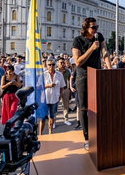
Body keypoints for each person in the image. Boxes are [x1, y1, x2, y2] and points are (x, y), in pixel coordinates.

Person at [72, 17, 111, 150]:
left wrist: (109, 68)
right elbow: (77, 62)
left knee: (99, 105)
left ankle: (99, 133)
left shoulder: (99, 37)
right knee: (84, 108)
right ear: (86, 28)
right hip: (83, 76)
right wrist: (92, 49)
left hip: (97, 74)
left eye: (96, 27)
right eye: (93, 27)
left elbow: (105, 53)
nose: (96, 29)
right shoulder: (78, 40)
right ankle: (87, 138)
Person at [41, 60, 66, 134]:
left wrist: (59, 96)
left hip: (54, 99)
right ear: (46, 65)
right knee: (43, 119)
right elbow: (39, 87)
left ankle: (50, 133)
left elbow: (62, 87)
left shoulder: (59, 74)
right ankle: (40, 134)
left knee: (52, 117)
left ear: (55, 65)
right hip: (45, 99)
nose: (51, 66)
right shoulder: (43, 74)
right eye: (49, 65)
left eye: (53, 64)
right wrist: (48, 85)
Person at [57, 58, 72, 126]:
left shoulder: (67, 71)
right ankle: (54, 121)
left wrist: (69, 88)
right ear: (58, 63)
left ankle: (66, 119)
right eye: (61, 63)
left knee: (66, 105)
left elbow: (69, 79)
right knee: (55, 106)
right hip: (57, 90)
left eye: (63, 62)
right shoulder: (55, 71)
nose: (62, 64)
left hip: (65, 89)